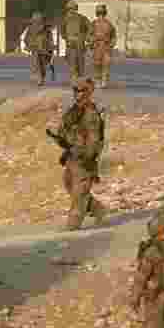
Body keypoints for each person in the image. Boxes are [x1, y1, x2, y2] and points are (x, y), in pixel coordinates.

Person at [56, 78, 107, 230]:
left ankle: (72, 229)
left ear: (89, 92)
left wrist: (88, 157)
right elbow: (64, 129)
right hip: (72, 156)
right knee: (69, 184)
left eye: (82, 91)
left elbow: (94, 139)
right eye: (76, 91)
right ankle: (97, 209)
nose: (78, 94)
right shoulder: (74, 111)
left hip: (84, 159)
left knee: (79, 195)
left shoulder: (91, 113)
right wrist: (63, 140)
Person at [62, 0, 91, 82]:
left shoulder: (82, 18)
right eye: (70, 9)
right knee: (72, 61)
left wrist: (86, 37)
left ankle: (78, 78)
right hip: (70, 44)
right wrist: (66, 38)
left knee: (80, 62)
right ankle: (74, 78)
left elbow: (89, 28)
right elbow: (62, 31)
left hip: (79, 43)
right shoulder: (65, 19)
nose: (71, 11)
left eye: (73, 9)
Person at [23, 12, 53, 86]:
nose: (36, 22)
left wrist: (50, 48)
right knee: (38, 64)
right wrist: (29, 45)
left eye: (38, 20)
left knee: (42, 64)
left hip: (43, 49)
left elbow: (50, 39)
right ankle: (40, 78)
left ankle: (41, 78)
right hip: (37, 49)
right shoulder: (31, 28)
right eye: (35, 20)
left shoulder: (46, 29)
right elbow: (26, 39)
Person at [91, 4, 117, 88]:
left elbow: (113, 36)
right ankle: (100, 81)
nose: (100, 16)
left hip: (103, 46)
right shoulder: (97, 24)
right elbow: (89, 35)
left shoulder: (105, 24)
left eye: (101, 13)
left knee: (102, 65)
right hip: (100, 46)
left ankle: (101, 81)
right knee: (99, 65)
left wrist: (111, 45)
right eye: (100, 13)